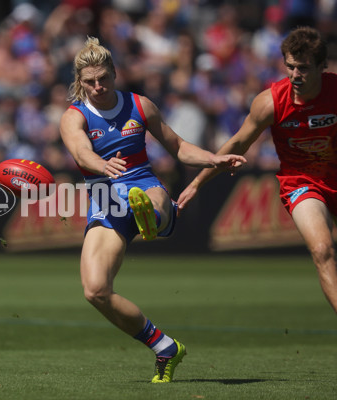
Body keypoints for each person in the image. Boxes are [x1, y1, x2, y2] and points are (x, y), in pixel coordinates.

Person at [59, 37, 246, 383]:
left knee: (151, 199)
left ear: (115, 74)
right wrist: (101, 166)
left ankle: (159, 216)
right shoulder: (74, 117)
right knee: (95, 290)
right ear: (79, 83)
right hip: (105, 200)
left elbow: (178, 147)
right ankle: (164, 347)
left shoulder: (140, 105)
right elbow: (81, 153)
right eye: (90, 82)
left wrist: (212, 158)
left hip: (141, 183)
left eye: (104, 79)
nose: (98, 87)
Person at [178, 26, 337, 314]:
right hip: (302, 183)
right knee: (322, 249)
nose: (295, 75)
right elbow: (238, 142)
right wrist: (197, 183)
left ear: (322, 66)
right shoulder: (270, 102)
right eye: (290, 66)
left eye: (303, 68)